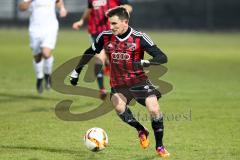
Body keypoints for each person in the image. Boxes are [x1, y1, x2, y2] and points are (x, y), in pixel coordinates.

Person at [69, 7, 170, 157]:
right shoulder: (105, 36)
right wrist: (76, 71)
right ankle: (140, 129)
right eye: (110, 23)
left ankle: (160, 146)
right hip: (118, 84)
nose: (111, 27)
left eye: (115, 23)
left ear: (125, 22)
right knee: (118, 106)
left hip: (139, 81)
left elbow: (162, 57)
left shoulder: (139, 37)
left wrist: (144, 62)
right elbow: (89, 52)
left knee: (154, 109)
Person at [72, 0, 132, 100]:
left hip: (113, 33)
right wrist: (81, 20)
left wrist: (116, 11)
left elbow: (129, 7)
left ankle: (116, 77)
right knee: (99, 59)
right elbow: (89, 9)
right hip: (96, 32)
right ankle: (102, 89)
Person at [18, 0, 67, 93]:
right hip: (35, 29)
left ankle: (47, 75)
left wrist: (62, 8)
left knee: (46, 53)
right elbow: (21, 7)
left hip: (50, 27)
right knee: (37, 57)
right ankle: (39, 77)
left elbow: (58, 1)